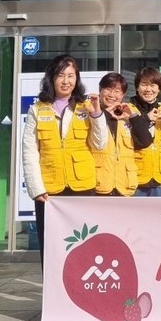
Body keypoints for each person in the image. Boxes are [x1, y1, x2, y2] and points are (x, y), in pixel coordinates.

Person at [21, 54, 107, 259]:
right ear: (51, 78)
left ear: (77, 78)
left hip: (82, 186)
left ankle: (82, 280)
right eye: (61, 75)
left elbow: (100, 143)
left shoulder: (86, 106)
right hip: (49, 189)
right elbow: (29, 151)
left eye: (71, 75)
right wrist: (36, 188)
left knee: (85, 243)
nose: (66, 81)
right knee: (51, 245)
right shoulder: (37, 109)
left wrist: (96, 114)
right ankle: (51, 281)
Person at [130, 67, 161, 196]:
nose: (148, 89)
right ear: (137, 87)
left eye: (153, 85)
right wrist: (145, 119)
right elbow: (135, 141)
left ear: (159, 89)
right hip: (135, 177)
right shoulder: (128, 110)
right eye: (144, 84)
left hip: (160, 178)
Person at [93, 72, 140, 196]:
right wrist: (106, 115)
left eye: (117, 91)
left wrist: (133, 117)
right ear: (100, 90)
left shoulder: (129, 113)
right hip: (99, 183)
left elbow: (144, 141)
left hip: (125, 184)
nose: (112, 95)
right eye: (108, 89)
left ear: (123, 95)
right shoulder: (91, 112)